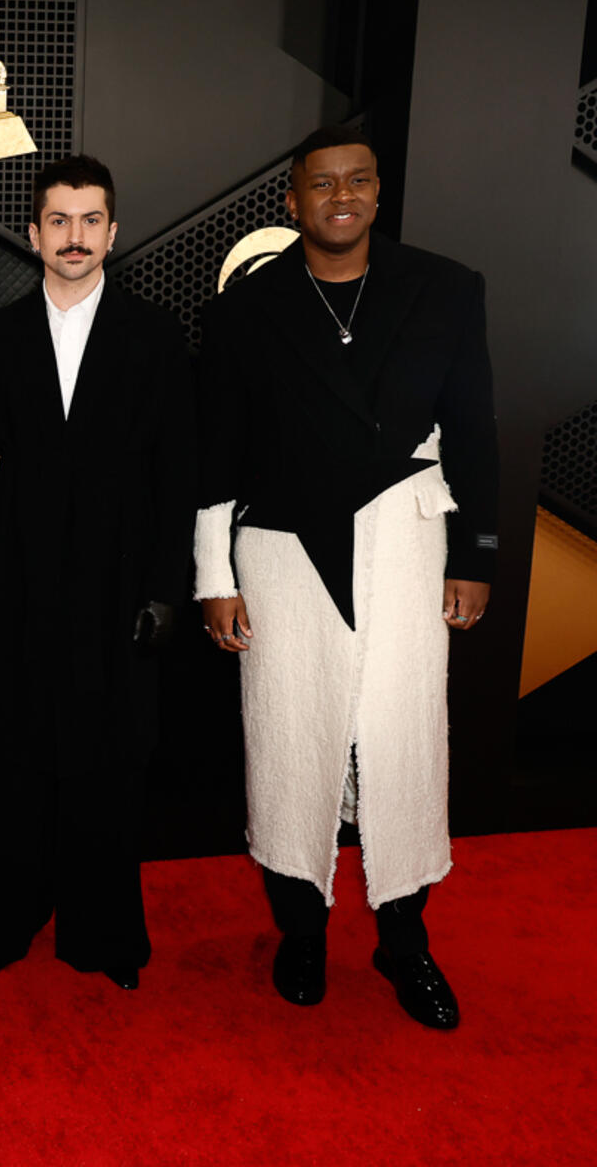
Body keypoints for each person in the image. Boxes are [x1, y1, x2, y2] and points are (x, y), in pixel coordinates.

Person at [194, 125, 498, 1030]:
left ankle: (405, 942)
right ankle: (300, 931)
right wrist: (214, 572)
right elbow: (218, 452)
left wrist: (477, 556)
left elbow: (475, 428)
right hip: (284, 554)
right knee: (292, 734)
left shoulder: (445, 288)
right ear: (291, 201)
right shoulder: (244, 310)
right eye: (321, 183)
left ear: (376, 192)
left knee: (402, 741)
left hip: (406, 545)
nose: (341, 195)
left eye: (357, 181)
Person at [0, 156, 195, 989]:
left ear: (112, 232)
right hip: (15, 587)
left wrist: (168, 588)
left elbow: (176, 477)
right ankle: (11, 919)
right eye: (59, 221)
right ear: (33, 234)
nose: (75, 236)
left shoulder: (158, 340)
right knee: (10, 762)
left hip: (121, 586)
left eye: (91, 220)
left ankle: (104, 932)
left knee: (111, 763)